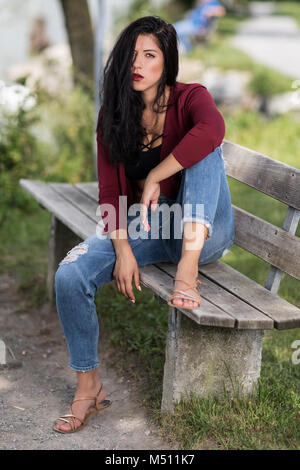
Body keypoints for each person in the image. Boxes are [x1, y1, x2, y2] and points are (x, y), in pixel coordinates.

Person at [53, 15, 234, 433]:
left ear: (166, 62)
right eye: (132, 55)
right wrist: (122, 250)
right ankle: (88, 387)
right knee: (69, 273)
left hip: (207, 232)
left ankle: (186, 274)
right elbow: (109, 192)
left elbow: (214, 129)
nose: (138, 64)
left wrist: (155, 174)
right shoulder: (114, 115)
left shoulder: (191, 99)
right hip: (153, 226)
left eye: (149, 55)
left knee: (204, 145)